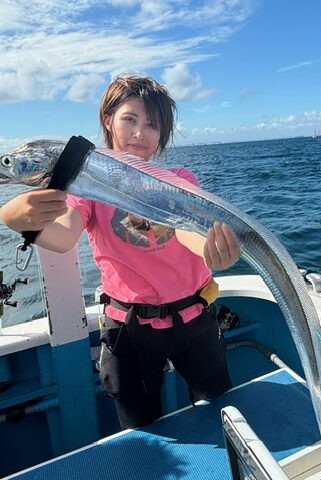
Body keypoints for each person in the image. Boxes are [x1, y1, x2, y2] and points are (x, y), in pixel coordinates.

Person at [0, 75, 240, 429]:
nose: (140, 133)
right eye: (130, 119)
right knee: (139, 425)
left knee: (221, 407)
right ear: (108, 120)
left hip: (194, 320)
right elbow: (64, 235)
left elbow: (187, 230)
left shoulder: (178, 179)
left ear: (163, 134)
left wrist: (211, 249)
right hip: (127, 328)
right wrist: (14, 217)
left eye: (152, 125)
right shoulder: (87, 187)